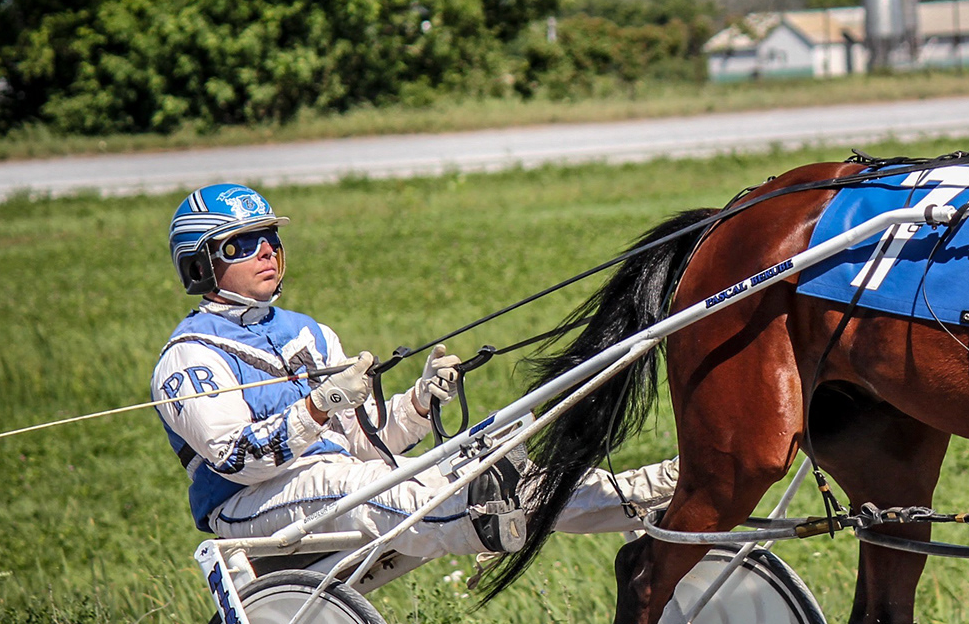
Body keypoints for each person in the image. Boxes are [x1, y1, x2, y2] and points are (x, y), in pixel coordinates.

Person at [152, 183, 676, 564]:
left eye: (268, 237)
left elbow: (367, 440)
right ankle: (486, 516)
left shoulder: (310, 333)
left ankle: (648, 491)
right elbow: (237, 459)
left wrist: (420, 402)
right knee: (379, 486)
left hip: (342, 479)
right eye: (240, 244)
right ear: (200, 265)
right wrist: (317, 408)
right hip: (248, 502)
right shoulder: (189, 358)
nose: (265, 250)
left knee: (465, 467)